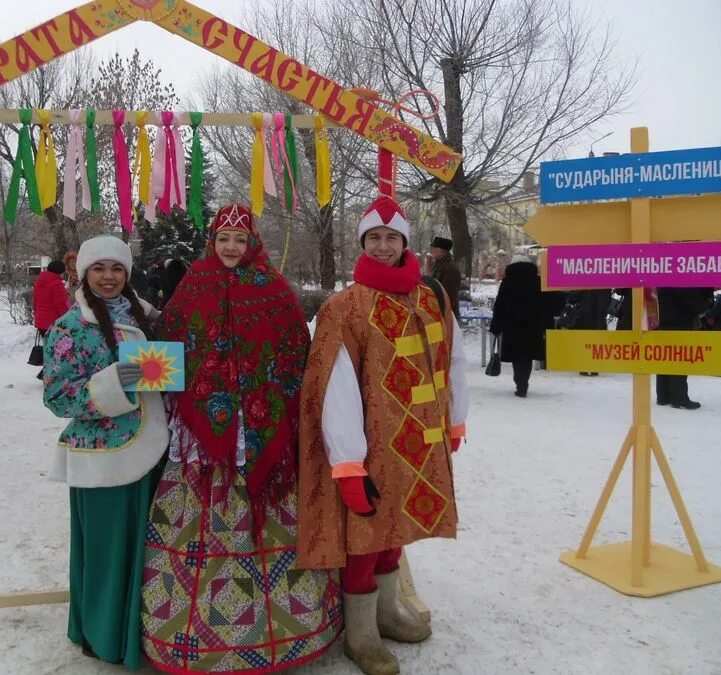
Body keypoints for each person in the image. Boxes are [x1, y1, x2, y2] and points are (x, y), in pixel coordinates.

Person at [140, 204, 342, 673]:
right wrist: (131, 374)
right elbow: (169, 351)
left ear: (252, 241)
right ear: (212, 241)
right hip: (203, 442)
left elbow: (296, 356)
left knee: (276, 526)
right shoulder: (191, 289)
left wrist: (273, 405)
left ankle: (287, 632)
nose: (231, 247)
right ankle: (196, 639)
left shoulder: (276, 292)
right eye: (223, 238)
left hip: (264, 434)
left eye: (239, 238)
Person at [297, 196, 469, 675]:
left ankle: (388, 612)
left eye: (391, 238)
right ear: (363, 243)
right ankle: (362, 634)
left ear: (404, 242)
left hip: (421, 440)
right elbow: (337, 387)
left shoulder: (431, 297)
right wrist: (348, 462)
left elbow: (451, 358)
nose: (383, 245)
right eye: (374, 238)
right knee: (368, 535)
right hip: (372, 444)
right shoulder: (344, 307)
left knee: (399, 527)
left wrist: (455, 419)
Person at [42, 235, 170, 667]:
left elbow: (166, 378)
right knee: (108, 554)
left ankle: (148, 636)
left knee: (150, 553)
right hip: (106, 462)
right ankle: (106, 636)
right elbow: (59, 398)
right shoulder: (69, 326)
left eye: (116, 269)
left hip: (158, 451)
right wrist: (122, 380)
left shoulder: (151, 317)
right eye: (99, 268)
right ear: (84, 273)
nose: (109, 277)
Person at [489, 255, 544, 397]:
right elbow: (547, 304)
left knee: (517, 356)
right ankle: (523, 382)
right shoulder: (538, 282)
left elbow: (500, 306)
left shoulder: (508, 282)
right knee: (527, 356)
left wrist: (496, 326)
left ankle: (520, 383)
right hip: (533, 325)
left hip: (512, 325)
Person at [655, 287, 713, 410]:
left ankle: (663, 396)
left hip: (663, 319)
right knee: (678, 359)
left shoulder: (665, 273)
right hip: (677, 321)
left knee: (665, 358)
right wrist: (704, 305)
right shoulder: (681, 277)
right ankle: (679, 398)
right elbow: (690, 297)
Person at [32, 260, 71, 380]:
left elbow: (35, 302)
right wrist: (68, 319)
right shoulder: (57, 284)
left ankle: (46, 373)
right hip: (54, 322)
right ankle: (49, 374)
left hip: (41, 322)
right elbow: (61, 305)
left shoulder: (39, 282)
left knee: (52, 348)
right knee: (60, 349)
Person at [567, 289, 612, 376]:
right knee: (596, 343)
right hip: (599, 321)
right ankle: (595, 366)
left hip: (585, 319)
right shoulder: (605, 283)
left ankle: (584, 366)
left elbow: (573, 297)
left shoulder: (583, 281)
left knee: (584, 343)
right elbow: (608, 301)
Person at [430, 235, 462, 319]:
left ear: (441, 250)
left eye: (434, 248)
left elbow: (449, 296)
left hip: (446, 315)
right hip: (437, 311)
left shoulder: (450, 268)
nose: (432, 250)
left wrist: (443, 314)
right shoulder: (438, 265)